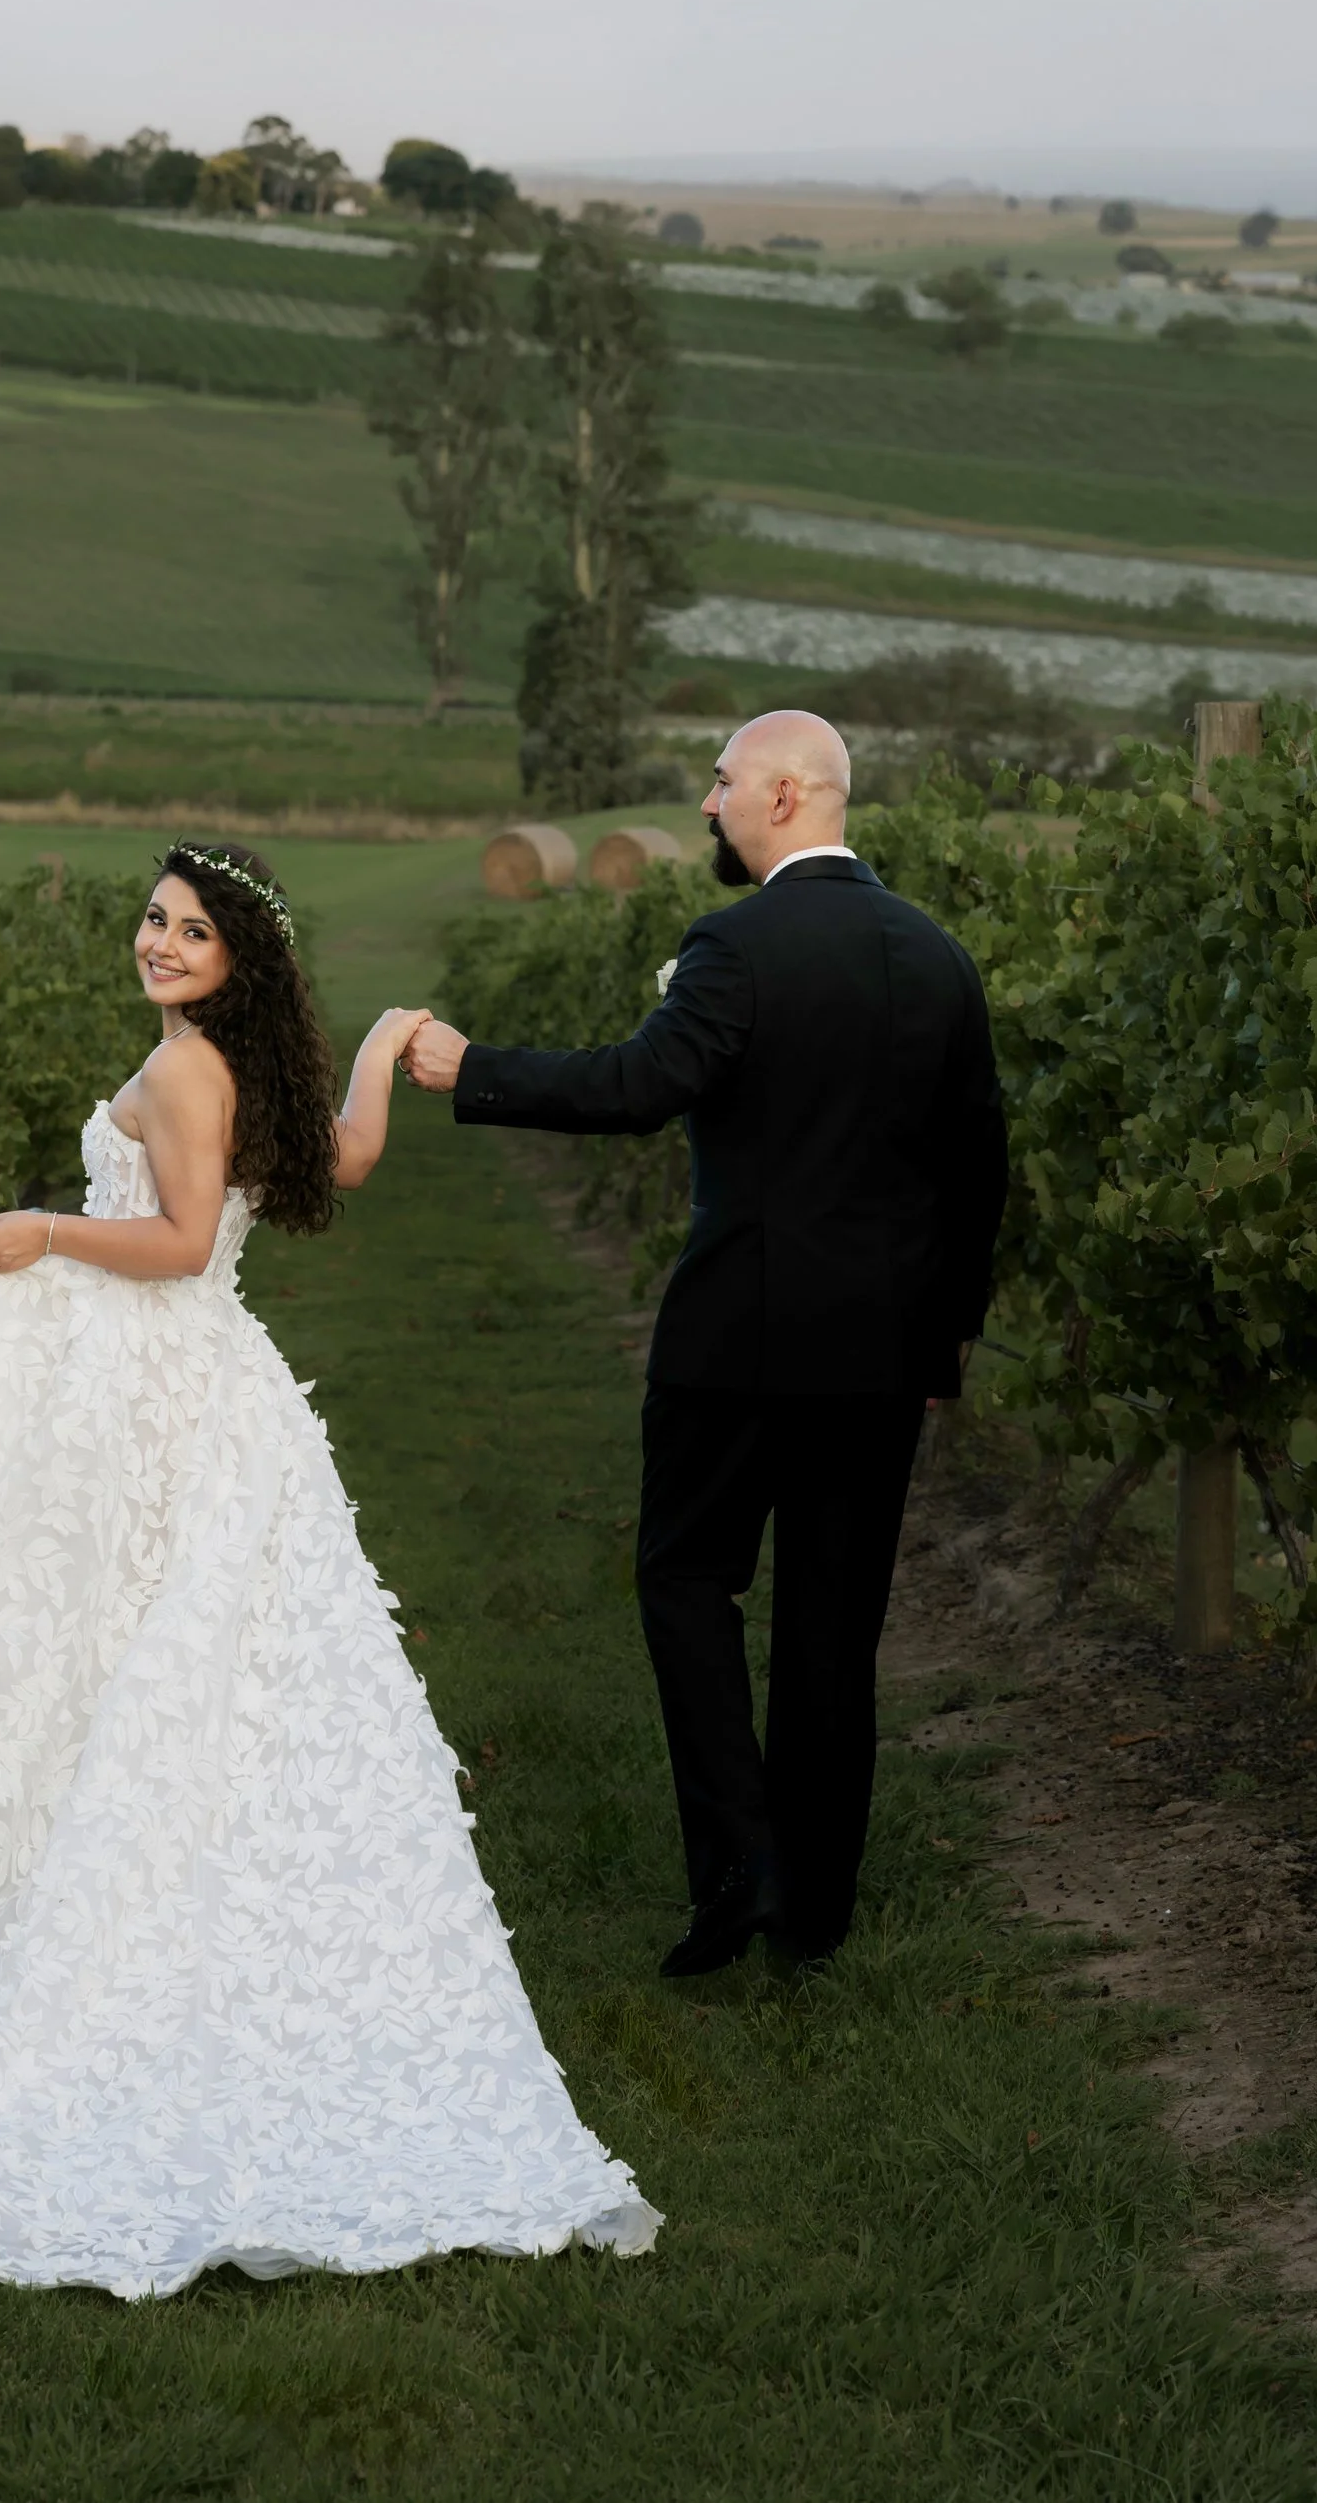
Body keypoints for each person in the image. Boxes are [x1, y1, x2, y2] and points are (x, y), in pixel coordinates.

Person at [0, 840, 659, 2296]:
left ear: (239, 959)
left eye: (192, 930)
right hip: (221, 1394)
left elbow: (170, 1243)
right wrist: (380, 1049)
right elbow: (345, 1158)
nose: (161, 942)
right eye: (155, 920)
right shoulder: (240, 1066)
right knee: (208, 1686)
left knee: (108, 1667)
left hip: (155, 1390)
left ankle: (89, 1971)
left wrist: (39, 1228)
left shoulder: (181, 1077)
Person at [405, 711, 1006, 1978]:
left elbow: (636, 1089)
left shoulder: (732, 945)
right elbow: (976, 1170)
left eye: (723, 780)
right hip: (882, 1352)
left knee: (686, 1582)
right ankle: (816, 1913)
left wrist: (473, 1066)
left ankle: (739, 1868)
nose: (706, 802)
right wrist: (943, 1339)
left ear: (788, 794)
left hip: (735, 1339)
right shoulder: (938, 956)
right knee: (837, 1624)